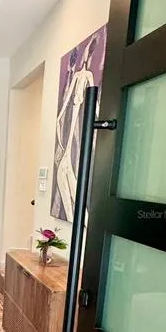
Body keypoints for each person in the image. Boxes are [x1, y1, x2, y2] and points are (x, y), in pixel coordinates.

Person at [54, 36, 98, 221]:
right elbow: (62, 113)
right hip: (68, 150)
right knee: (71, 200)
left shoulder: (85, 77)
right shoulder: (80, 77)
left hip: (73, 147)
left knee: (76, 202)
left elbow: (61, 114)